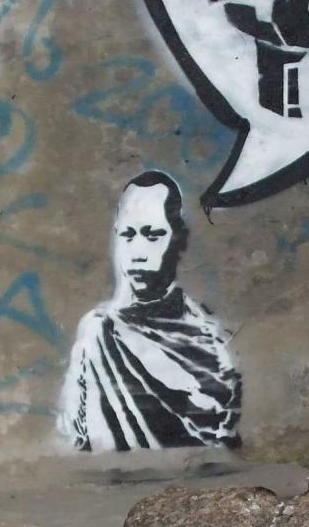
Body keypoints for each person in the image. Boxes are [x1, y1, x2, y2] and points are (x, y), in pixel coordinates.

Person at [57, 171, 242, 452]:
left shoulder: (209, 340)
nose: (138, 252)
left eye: (154, 235)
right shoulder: (97, 333)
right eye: (127, 235)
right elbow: (75, 431)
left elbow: (223, 433)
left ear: (179, 238)